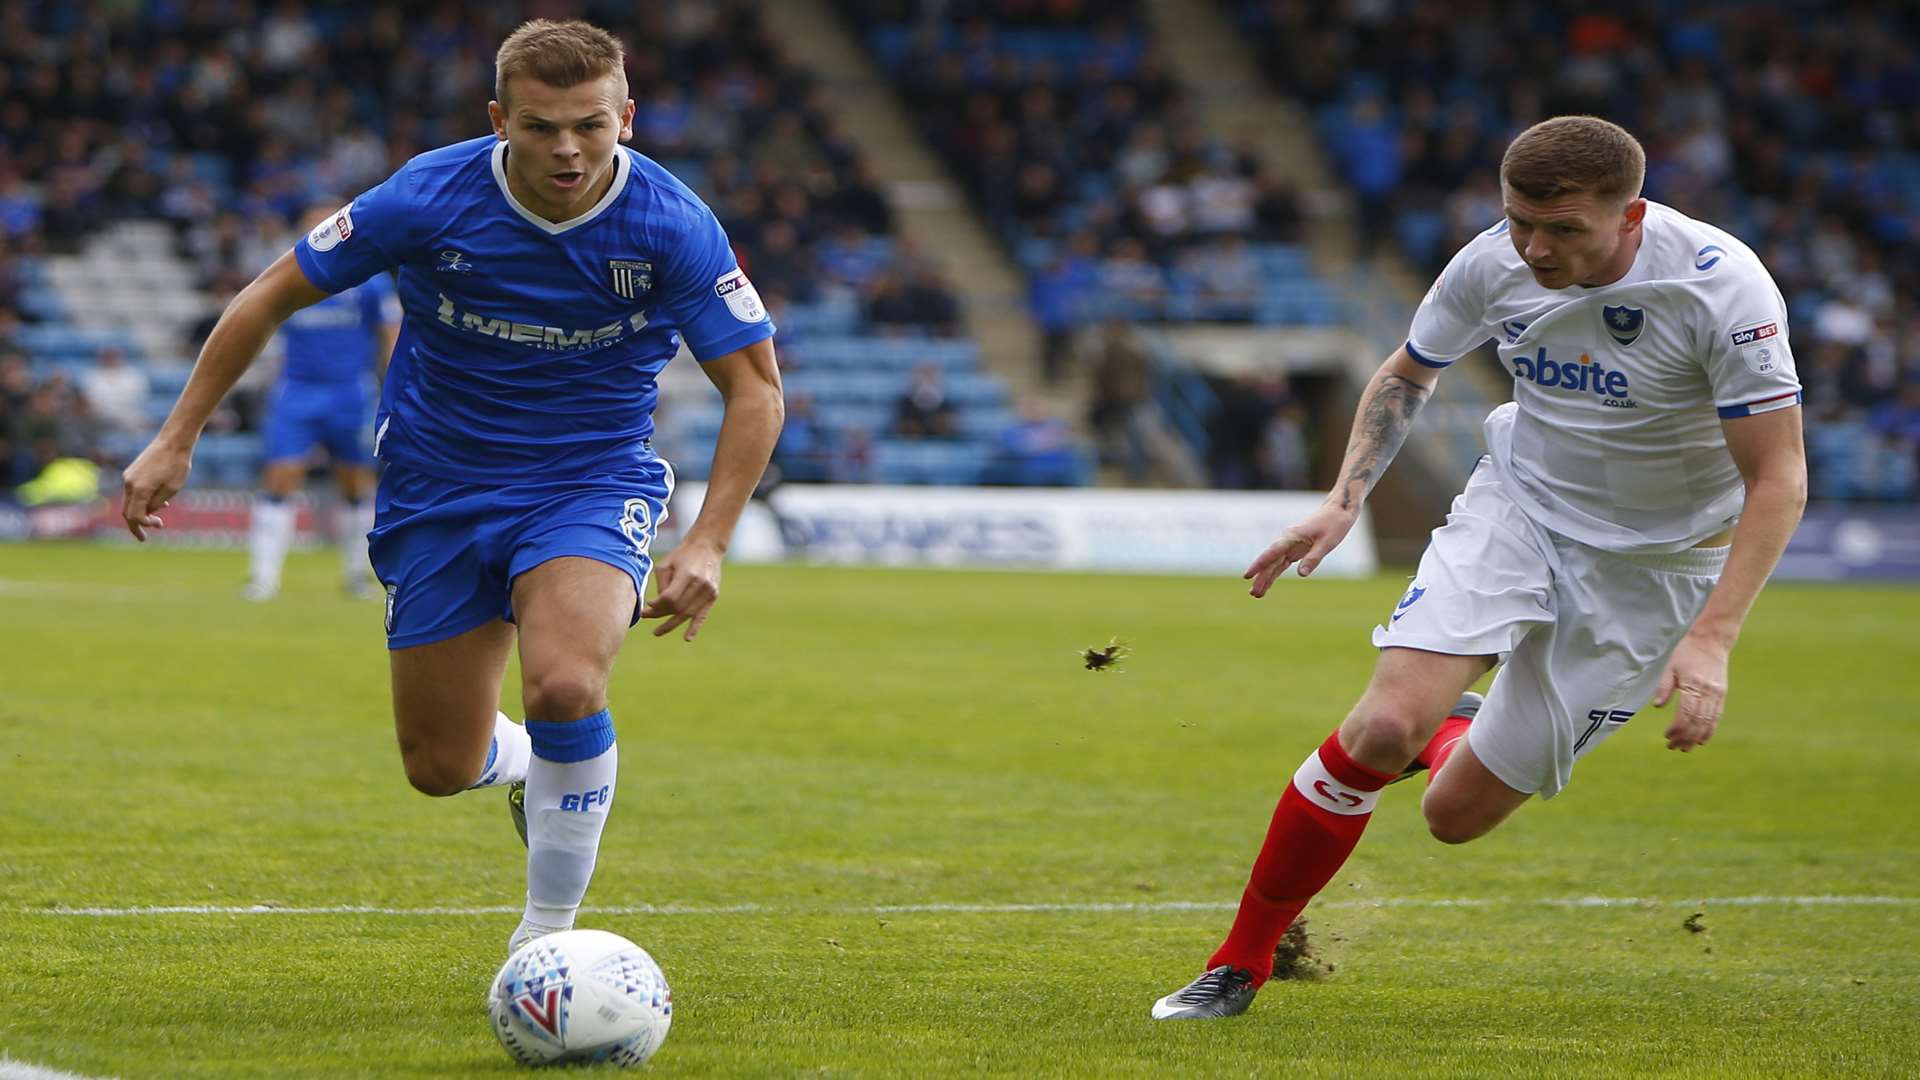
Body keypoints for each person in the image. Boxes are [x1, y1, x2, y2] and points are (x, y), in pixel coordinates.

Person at [120, 20, 784, 957]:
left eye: (590, 126)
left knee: (563, 682)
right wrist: (174, 437)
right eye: (542, 127)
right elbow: (270, 292)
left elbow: (755, 387)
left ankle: (546, 941)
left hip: (588, 480)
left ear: (626, 118)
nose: (568, 149)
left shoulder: (673, 223)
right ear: (497, 119)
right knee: (439, 765)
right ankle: (524, 766)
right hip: (438, 484)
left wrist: (708, 540)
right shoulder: (427, 195)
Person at [1151, 116, 1807, 1019]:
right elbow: (1407, 373)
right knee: (1381, 728)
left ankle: (1455, 726)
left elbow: (1777, 475)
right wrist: (1343, 501)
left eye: (1564, 229)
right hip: (1520, 509)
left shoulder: (1720, 290)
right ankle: (1241, 962)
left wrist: (1713, 637)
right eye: (1518, 221)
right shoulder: (1490, 261)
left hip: (1652, 569)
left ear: (1631, 214)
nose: (1534, 247)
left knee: (1452, 818)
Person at [244, 202, 399, 602]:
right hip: (297, 391)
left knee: (355, 483)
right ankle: (263, 578)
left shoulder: (369, 282)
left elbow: (389, 334)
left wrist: (393, 385)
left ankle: (356, 575)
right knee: (280, 478)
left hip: (350, 392)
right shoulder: (290, 276)